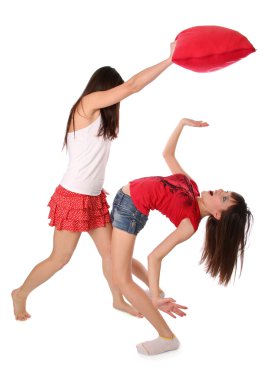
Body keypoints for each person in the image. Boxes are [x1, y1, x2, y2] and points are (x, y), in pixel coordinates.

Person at [11, 43, 176, 321]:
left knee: (114, 254)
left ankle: (120, 299)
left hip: (93, 197)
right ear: (102, 89)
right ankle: (21, 293)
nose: (116, 98)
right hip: (73, 196)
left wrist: (155, 291)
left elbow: (129, 89)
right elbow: (134, 86)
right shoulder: (86, 105)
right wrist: (170, 60)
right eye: (114, 91)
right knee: (60, 259)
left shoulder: (102, 118)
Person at [110, 118, 253, 355]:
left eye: (224, 198)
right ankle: (153, 293)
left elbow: (155, 256)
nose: (220, 190)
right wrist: (181, 125)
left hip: (130, 211)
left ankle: (167, 337)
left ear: (217, 214)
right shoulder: (192, 187)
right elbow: (167, 154)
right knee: (116, 261)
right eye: (226, 191)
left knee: (121, 278)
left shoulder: (190, 222)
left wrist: (154, 295)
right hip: (124, 201)